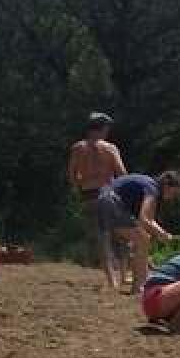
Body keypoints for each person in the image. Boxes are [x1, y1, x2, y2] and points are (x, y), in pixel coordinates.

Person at [96, 170, 180, 292]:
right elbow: (144, 218)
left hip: (103, 199)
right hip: (112, 202)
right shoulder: (153, 189)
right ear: (166, 185)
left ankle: (138, 282)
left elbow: (149, 220)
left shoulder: (148, 185)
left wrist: (162, 232)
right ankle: (139, 286)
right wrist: (160, 233)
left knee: (140, 239)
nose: (172, 198)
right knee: (143, 240)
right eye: (173, 193)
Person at [66, 112, 127, 278]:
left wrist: (78, 187)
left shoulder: (78, 148)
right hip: (109, 192)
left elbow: (72, 174)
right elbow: (122, 173)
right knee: (119, 233)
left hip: (88, 194)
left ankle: (110, 278)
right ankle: (123, 274)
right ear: (103, 128)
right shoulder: (110, 148)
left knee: (101, 236)